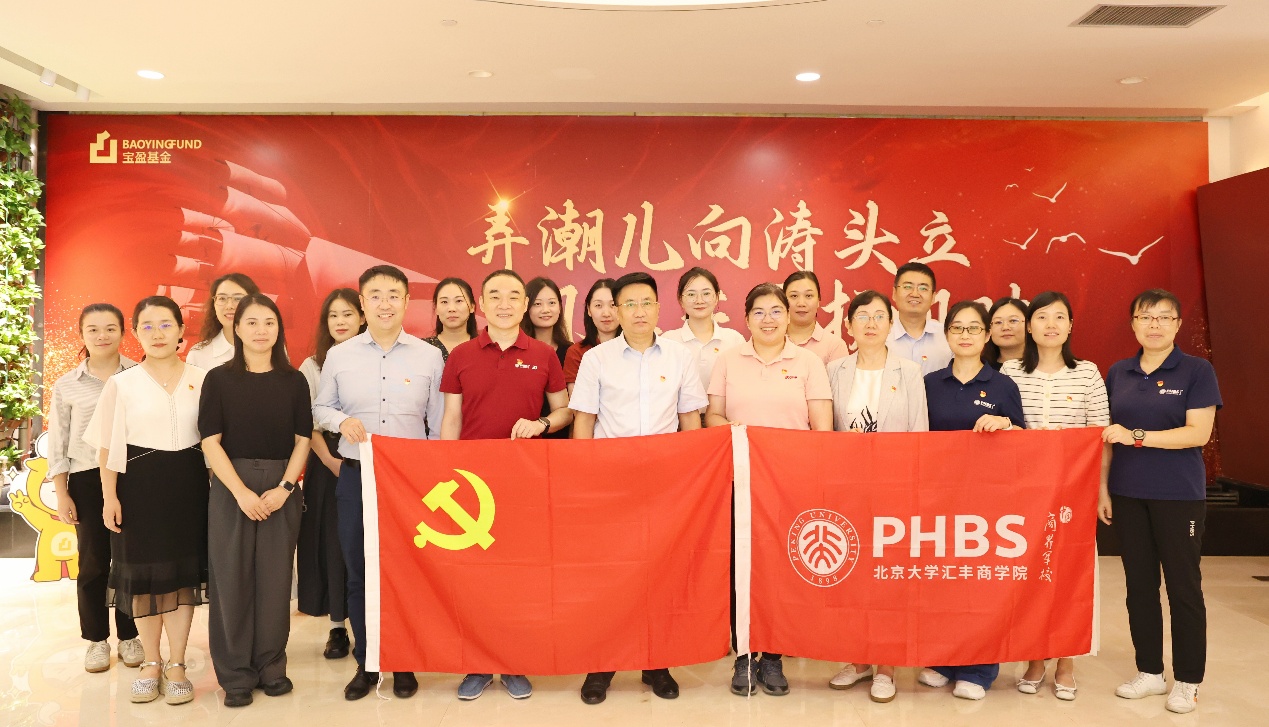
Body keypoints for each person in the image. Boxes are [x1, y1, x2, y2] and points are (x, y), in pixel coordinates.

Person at [569, 271, 708, 705]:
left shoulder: (680, 357)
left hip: (666, 484)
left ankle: (656, 663)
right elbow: (584, 422)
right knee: (609, 576)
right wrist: (585, 482)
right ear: (616, 310)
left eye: (646, 302)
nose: (638, 311)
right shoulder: (597, 359)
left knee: (660, 574)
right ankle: (601, 664)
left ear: (659, 307)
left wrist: (691, 480)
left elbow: (690, 420)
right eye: (628, 304)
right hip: (611, 483)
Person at [313, 265, 445, 701]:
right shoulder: (341, 355)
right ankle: (368, 663)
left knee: (407, 571)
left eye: (393, 295)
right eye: (375, 295)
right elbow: (320, 408)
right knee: (359, 570)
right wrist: (341, 420)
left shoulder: (429, 356)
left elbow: (439, 423)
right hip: (357, 475)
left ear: (407, 302)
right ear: (362, 303)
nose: (384, 303)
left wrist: (431, 473)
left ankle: (404, 661)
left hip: (409, 481)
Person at [440, 269, 572, 701]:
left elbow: (564, 411)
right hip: (472, 484)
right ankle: (477, 664)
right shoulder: (460, 355)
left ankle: (515, 662)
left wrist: (541, 424)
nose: (504, 303)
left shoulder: (543, 354)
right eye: (494, 295)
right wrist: (446, 471)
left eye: (513, 295)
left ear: (525, 305)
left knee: (519, 575)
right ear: (480, 304)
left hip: (525, 481)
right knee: (474, 577)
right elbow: (452, 417)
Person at [705, 283, 832, 698]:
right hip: (738, 481)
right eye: (758, 312)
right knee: (740, 568)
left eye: (776, 310)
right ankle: (744, 655)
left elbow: (822, 427)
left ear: (788, 315)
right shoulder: (728, 360)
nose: (768, 319)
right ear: (746, 319)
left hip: (791, 483)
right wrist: (738, 432)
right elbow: (712, 416)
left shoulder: (808, 362)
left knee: (782, 569)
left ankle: (774, 656)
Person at [83, 296, 209, 706]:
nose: (157, 334)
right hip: (137, 490)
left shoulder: (203, 379)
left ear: (181, 331)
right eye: (148, 326)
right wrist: (109, 497)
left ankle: (177, 664)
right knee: (143, 579)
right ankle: (151, 662)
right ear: (136, 332)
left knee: (182, 579)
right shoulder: (122, 383)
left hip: (190, 489)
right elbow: (106, 446)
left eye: (166, 325)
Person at [1102, 289, 1221, 715]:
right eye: (1145, 317)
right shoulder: (1119, 372)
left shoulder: (1197, 370)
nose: (1154, 325)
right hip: (1127, 494)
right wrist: (1103, 489)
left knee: (1183, 588)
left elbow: (1197, 433)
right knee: (1139, 587)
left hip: (1178, 496)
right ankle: (1150, 671)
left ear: (1177, 324)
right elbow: (1106, 436)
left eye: (1164, 317)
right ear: (1133, 323)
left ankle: (1188, 680)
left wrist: (1137, 436)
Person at [200, 294, 312, 708]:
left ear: (279, 329)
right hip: (232, 488)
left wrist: (285, 488)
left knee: (275, 580)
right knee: (230, 580)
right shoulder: (218, 379)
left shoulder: (294, 380)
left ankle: (271, 667)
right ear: (236, 328)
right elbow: (210, 442)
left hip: (281, 489)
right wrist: (241, 492)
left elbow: (303, 439)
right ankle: (235, 675)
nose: (261, 330)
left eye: (269, 322)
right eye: (252, 322)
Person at [1000, 291, 1110, 701]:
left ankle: (1066, 662)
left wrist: (1101, 489)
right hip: (1025, 494)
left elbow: (1101, 437)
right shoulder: (1010, 370)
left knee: (1071, 577)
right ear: (1029, 327)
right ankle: (1034, 658)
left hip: (1074, 492)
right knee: (1030, 576)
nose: (1051, 324)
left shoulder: (1087, 373)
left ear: (1070, 326)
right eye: (1042, 317)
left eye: (1059, 317)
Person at [919, 300, 1025, 702]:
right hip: (938, 498)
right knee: (942, 581)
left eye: (974, 328)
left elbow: (1025, 441)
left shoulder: (1002, 385)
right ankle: (944, 660)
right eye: (957, 328)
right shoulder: (929, 383)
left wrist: (1006, 424)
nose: (965, 335)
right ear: (947, 334)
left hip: (987, 503)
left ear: (987, 335)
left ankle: (978, 669)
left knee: (981, 584)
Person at [825, 290, 928, 702]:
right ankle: (858, 659)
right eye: (862, 316)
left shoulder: (909, 371)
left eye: (879, 316)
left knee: (888, 575)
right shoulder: (834, 369)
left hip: (894, 487)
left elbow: (919, 432)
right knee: (851, 574)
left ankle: (886, 664)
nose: (870, 323)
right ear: (848, 325)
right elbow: (824, 429)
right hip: (847, 488)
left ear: (891, 323)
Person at [48, 304, 142, 674]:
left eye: (110, 328)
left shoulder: (138, 375)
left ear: (123, 332)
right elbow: (59, 441)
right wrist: (62, 493)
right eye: (93, 329)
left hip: (131, 477)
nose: (102, 336)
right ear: (82, 334)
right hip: (86, 479)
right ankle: (96, 640)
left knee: (131, 560)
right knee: (92, 563)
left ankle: (130, 635)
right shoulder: (67, 384)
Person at [297, 288, 364, 660]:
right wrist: (329, 461)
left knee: (368, 544)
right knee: (334, 545)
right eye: (333, 315)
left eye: (348, 314)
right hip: (328, 460)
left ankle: (371, 624)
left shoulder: (375, 359)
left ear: (362, 317)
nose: (340, 322)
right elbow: (307, 423)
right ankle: (337, 627)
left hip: (370, 457)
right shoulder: (313, 365)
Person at [662, 267, 745, 398]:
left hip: (726, 411)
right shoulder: (668, 341)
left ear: (716, 297)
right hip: (680, 412)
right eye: (691, 294)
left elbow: (743, 386)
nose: (699, 300)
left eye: (706, 293)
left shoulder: (734, 340)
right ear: (680, 300)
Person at [522, 276, 573, 438]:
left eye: (551, 303)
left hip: (561, 437)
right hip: (522, 436)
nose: (546, 310)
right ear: (526, 307)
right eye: (537, 304)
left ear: (559, 307)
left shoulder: (571, 352)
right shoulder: (518, 351)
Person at [888, 262, 952, 376]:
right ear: (894, 293)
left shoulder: (948, 336)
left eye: (923, 288)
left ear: (933, 297)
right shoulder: (881, 336)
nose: (915, 294)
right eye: (908, 287)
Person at [186, 273, 260, 370]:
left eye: (238, 298)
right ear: (214, 304)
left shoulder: (269, 348)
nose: (229, 306)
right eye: (222, 298)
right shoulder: (198, 355)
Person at [562, 278, 620, 395]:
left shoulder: (634, 349)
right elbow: (578, 400)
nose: (606, 313)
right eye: (598, 305)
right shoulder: (577, 353)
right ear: (589, 310)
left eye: (613, 305)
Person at [782, 271, 849, 365]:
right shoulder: (771, 340)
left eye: (808, 296)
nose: (801, 303)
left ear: (818, 301)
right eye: (794, 296)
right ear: (783, 301)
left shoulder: (835, 346)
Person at [424, 277, 477, 362]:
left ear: (472, 307)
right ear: (436, 308)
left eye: (459, 301)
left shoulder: (485, 348)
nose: (451, 309)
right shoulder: (422, 348)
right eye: (444, 302)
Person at [984, 297, 1028, 370]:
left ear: (1029, 325)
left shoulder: (1043, 366)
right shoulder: (980, 368)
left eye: (1013, 321)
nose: (1005, 327)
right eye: (998, 322)